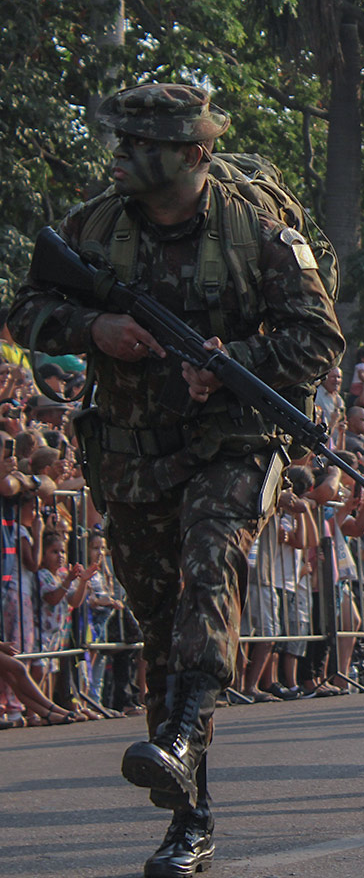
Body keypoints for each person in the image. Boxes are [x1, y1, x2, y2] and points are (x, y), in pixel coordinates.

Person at [8, 82, 343, 875]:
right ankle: (190, 814)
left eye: (139, 144)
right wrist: (94, 326)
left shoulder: (258, 232)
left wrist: (235, 367)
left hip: (229, 442)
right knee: (162, 629)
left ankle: (183, 733)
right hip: (130, 452)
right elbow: (25, 309)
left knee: (209, 570)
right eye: (118, 141)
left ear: (193, 154)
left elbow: (316, 338)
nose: (119, 157)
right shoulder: (93, 225)